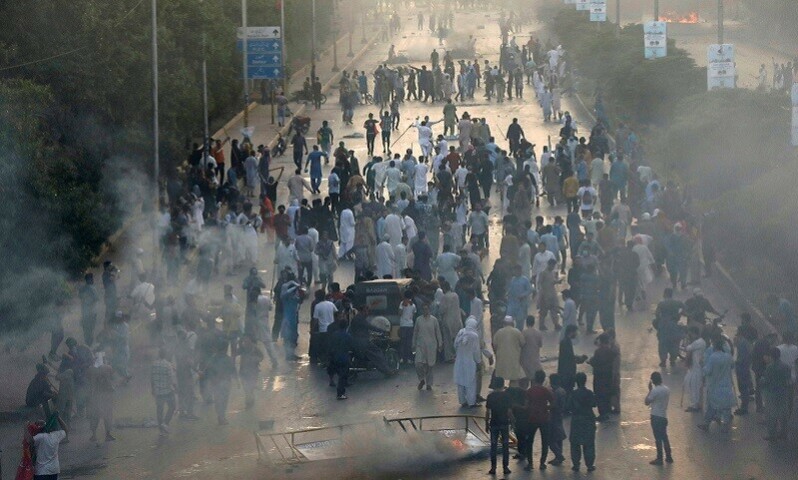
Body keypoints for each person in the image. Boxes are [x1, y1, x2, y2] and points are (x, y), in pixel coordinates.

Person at [698, 337, 737, 431]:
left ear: (714, 346)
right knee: (726, 408)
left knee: (712, 406)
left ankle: (706, 423)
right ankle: (725, 426)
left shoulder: (713, 357)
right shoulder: (728, 356)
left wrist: (701, 365)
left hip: (715, 386)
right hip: (726, 386)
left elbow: (707, 371)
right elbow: (732, 366)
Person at [525, 369, 554, 471]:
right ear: (543, 379)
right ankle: (542, 463)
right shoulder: (546, 391)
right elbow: (553, 403)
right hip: (544, 418)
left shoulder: (530, 390)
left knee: (529, 441)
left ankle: (530, 463)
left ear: (535, 379)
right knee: (544, 441)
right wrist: (546, 409)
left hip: (532, 418)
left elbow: (526, 405)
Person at [761, 347, 791, 441]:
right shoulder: (786, 366)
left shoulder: (769, 367)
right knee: (783, 414)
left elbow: (766, 381)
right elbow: (788, 379)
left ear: (771, 356)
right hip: (783, 392)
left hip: (771, 393)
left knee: (771, 415)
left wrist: (761, 380)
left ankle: (772, 434)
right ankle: (783, 433)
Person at [569, 372, 597, 472]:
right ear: (585, 381)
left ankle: (576, 464)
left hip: (576, 420)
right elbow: (594, 404)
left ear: (576, 381)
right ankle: (589, 465)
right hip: (588, 419)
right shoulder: (589, 393)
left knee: (575, 443)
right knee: (589, 443)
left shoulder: (573, 394)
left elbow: (568, 406)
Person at [485, 376, 513, 475]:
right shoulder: (506, 396)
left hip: (494, 423)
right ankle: (505, 468)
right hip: (504, 423)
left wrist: (486, 424)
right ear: (502, 385)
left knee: (493, 446)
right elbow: (509, 411)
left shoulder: (490, 396)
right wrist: (512, 421)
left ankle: (493, 468)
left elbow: (488, 412)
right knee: (505, 446)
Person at [645, 371, 673, 465]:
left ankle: (659, 458)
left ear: (653, 381)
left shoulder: (654, 391)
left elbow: (646, 402)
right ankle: (669, 456)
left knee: (657, 438)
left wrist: (649, 390)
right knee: (664, 436)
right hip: (663, 415)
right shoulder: (667, 389)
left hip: (655, 416)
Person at [413, 304, 442, 390]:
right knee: (418, 364)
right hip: (420, 345)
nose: (425, 311)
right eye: (423, 309)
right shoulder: (418, 320)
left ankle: (429, 384)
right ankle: (422, 379)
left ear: (429, 310)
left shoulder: (434, 320)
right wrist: (413, 343)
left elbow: (438, 332)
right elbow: (415, 332)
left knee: (430, 365)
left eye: (426, 309)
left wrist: (440, 343)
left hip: (431, 346)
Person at [587, 333, 616, 421]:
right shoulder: (610, 351)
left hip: (599, 376)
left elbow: (595, 362)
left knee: (599, 395)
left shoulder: (598, 351)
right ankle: (607, 411)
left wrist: (590, 361)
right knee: (606, 394)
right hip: (608, 376)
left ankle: (602, 414)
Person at [454, 317, 482, 407]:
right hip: (470, 362)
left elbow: (455, 345)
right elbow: (476, 351)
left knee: (460, 382)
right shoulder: (474, 335)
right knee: (470, 382)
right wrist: (478, 362)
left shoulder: (461, 332)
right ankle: (471, 402)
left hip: (459, 361)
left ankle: (462, 401)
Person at [653, 288, 684, 367]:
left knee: (663, 343)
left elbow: (657, 314)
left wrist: (659, 321)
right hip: (674, 325)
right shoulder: (677, 303)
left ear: (665, 294)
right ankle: (673, 359)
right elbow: (685, 308)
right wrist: (679, 315)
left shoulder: (661, 303)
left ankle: (663, 361)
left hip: (663, 326)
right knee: (674, 342)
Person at [31, 415, 68, 480]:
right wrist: (58, 417)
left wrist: (25, 426)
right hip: (54, 470)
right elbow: (66, 429)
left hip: (42, 471)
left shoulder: (41, 436)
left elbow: (29, 440)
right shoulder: (56, 435)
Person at [150, 348, 176, 436]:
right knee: (172, 406)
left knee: (159, 410)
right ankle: (165, 423)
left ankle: (161, 430)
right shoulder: (168, 365)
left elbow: (152, 378)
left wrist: (153, 389)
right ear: (165, 355)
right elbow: (171, 379)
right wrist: (175, 388)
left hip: (158, 391)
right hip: (167, 391)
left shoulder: (154, 364)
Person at [493, 316, 526, 384]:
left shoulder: (499, 332)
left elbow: (494, 345)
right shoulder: (517, 332)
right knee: (514, 378)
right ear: (512, 323)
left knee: (500, 377)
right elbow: (523, 343)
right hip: (513, 358)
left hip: (501, 359)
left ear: (504, 323)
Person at [327, 317, 353, 400]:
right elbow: (351, 346)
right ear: (346, 326)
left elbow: (330, 345)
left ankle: (332, 381)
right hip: (343, 358)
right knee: (342, 375)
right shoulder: (347, 336)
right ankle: (340, 393)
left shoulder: (334, 334)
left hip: (334, 357)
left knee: (335, 371)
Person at [682, 326, 706, 412]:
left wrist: (687, 341)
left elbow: (687, 348)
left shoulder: (698, 342)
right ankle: (696, 404)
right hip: (695, 367)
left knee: (694, 386)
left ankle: (695, 405)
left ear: (694, 333)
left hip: (697, 368)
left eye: (691, 333)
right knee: (694, 386)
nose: (690, 335)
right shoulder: (700, 342)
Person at [238, 335, 264, 409]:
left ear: (251, 340)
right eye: (244, 340)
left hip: (253, 371)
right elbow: (235, 353)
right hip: (243, 371)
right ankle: (248, 401)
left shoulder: (255, 348)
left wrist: (255, 359)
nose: (245, 342)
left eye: (247, 340)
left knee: (250, 388)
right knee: (246, 388)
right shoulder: (242, 348)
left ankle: (250, 402)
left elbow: (261, 356)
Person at [547, 373, 568, 466]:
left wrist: (546, 407)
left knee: (551, 439)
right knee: (558, 437)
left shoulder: (556, 392)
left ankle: (559, 455)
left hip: (553, 416)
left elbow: (554, 405)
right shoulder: (562, 391)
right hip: (559, 415)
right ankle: (558, 456)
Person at [520, 316, 543, 388]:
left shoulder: (523, 333)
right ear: (534, 322)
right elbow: (540, 345)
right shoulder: (538, 333)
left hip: (525, 359)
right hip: (535, 358)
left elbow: (521, 344)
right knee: (534, 380)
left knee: (524, 380)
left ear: (526, 323)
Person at [78, 273, 99, 346]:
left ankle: (87, 343)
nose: (93, 280)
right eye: (92, 278)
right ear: (89, 279)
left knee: (86, 330)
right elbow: (96, 298)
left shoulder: (82, 288)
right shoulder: (92, 288)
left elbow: (80, 297)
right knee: (90, 330)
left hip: (85, 313)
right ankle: (89, 344)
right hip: (92, 313)